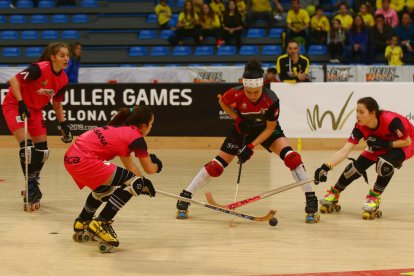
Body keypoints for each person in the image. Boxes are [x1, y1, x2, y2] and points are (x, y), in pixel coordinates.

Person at [175, 59, 319, 223]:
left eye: (255, 92)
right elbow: (222, 102)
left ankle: (310, 197)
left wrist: (250, 147)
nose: (251, 95)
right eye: (248, 91)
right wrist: (237, 119)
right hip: (242, 129)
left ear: (262, 86)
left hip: (266, 130)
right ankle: (186, 195)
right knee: (216, 167)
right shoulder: (235, 93)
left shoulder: (271, 100)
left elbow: (270, 129)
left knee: (292, 158)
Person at [65, 106, 162, 251]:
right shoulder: (136, 138)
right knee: (134, 183)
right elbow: (149, 168)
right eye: (151, 124)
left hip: (71, 158)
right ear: (143, 126)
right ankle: (101, 223)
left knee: (105, 189)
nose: (151, 127)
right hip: (86, 161)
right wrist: (158, 165)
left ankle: (83, 220)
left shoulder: (120, 131)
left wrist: (143, 183)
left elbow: (131, 168)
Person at [314, 97, 414, 218]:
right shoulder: (360, 127)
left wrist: (387, 144)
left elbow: (407, 141)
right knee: (354, 169)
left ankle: (374, 197)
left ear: (373, 113)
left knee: (384, 164)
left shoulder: (391, 121)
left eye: (361, 112)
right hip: (381, 144)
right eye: (357, 111)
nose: (357, 115)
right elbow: (345, 150)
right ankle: (334, 193)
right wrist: (325, 167)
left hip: (405, 144)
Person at [2, 42, 72, 211]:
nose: (66, 58)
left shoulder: (63, 79)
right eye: (62, 55)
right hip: (14, 105)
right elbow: (13, 81)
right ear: (53, 57)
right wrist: (20, 103)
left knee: (43, 151)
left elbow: (57, 104)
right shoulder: (39, 69)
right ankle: (32, 185)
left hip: (35, 110)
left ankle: (31, 183)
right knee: (27, 148)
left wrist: (63, 124)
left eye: (67, 55)